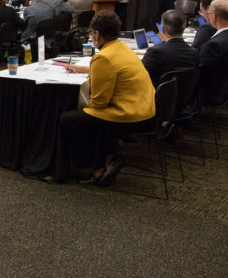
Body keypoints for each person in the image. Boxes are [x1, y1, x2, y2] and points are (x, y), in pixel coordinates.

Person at [60, 11, 156, 186]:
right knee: (90, 116)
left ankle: (101, 163)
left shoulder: (103, 57)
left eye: (92, 33)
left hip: (127, 115)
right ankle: (108, 155)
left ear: (97, 34)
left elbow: (99, 103)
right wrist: (84, 69)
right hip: (146, 110)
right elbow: (115, 69)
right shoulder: (122, 48)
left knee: (69, 119)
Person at [196, 0, 228, 108]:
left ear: (213, 16)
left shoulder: (213, 45)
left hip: (208, 92)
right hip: (226, 87)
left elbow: (199, 75)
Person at [141, 10, 199, 86]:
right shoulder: (194, 52)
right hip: (186, 96)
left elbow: (139, 74)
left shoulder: (155, 51)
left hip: (156, 96)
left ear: (163, 29)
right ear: (184, 28)